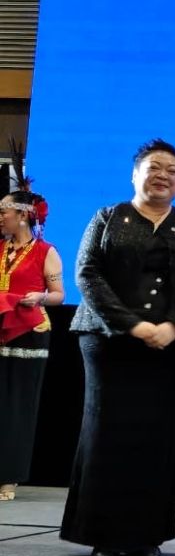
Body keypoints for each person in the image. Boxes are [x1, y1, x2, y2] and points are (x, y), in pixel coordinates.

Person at [60, 139, 175, 556]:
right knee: (106, 433)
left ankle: (147, 535)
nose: (162, 175)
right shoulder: (108, 217)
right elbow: (87, 273)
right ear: (135, 174)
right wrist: (132, 325)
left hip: (170, 345)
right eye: (153, 167)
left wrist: (174, 326)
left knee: (156, 436)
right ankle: (103, 534)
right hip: (108, 342)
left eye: (171, 170)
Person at [0, 188, 65, 500]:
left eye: (4, 212)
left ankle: (8, 476)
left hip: (29, 330)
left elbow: (58, 295)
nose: (0, 218)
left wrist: (40, 297)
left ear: (23, 215)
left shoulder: (45, 251)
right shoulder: (0, 249)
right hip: (0, 326)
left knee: (16, 406)